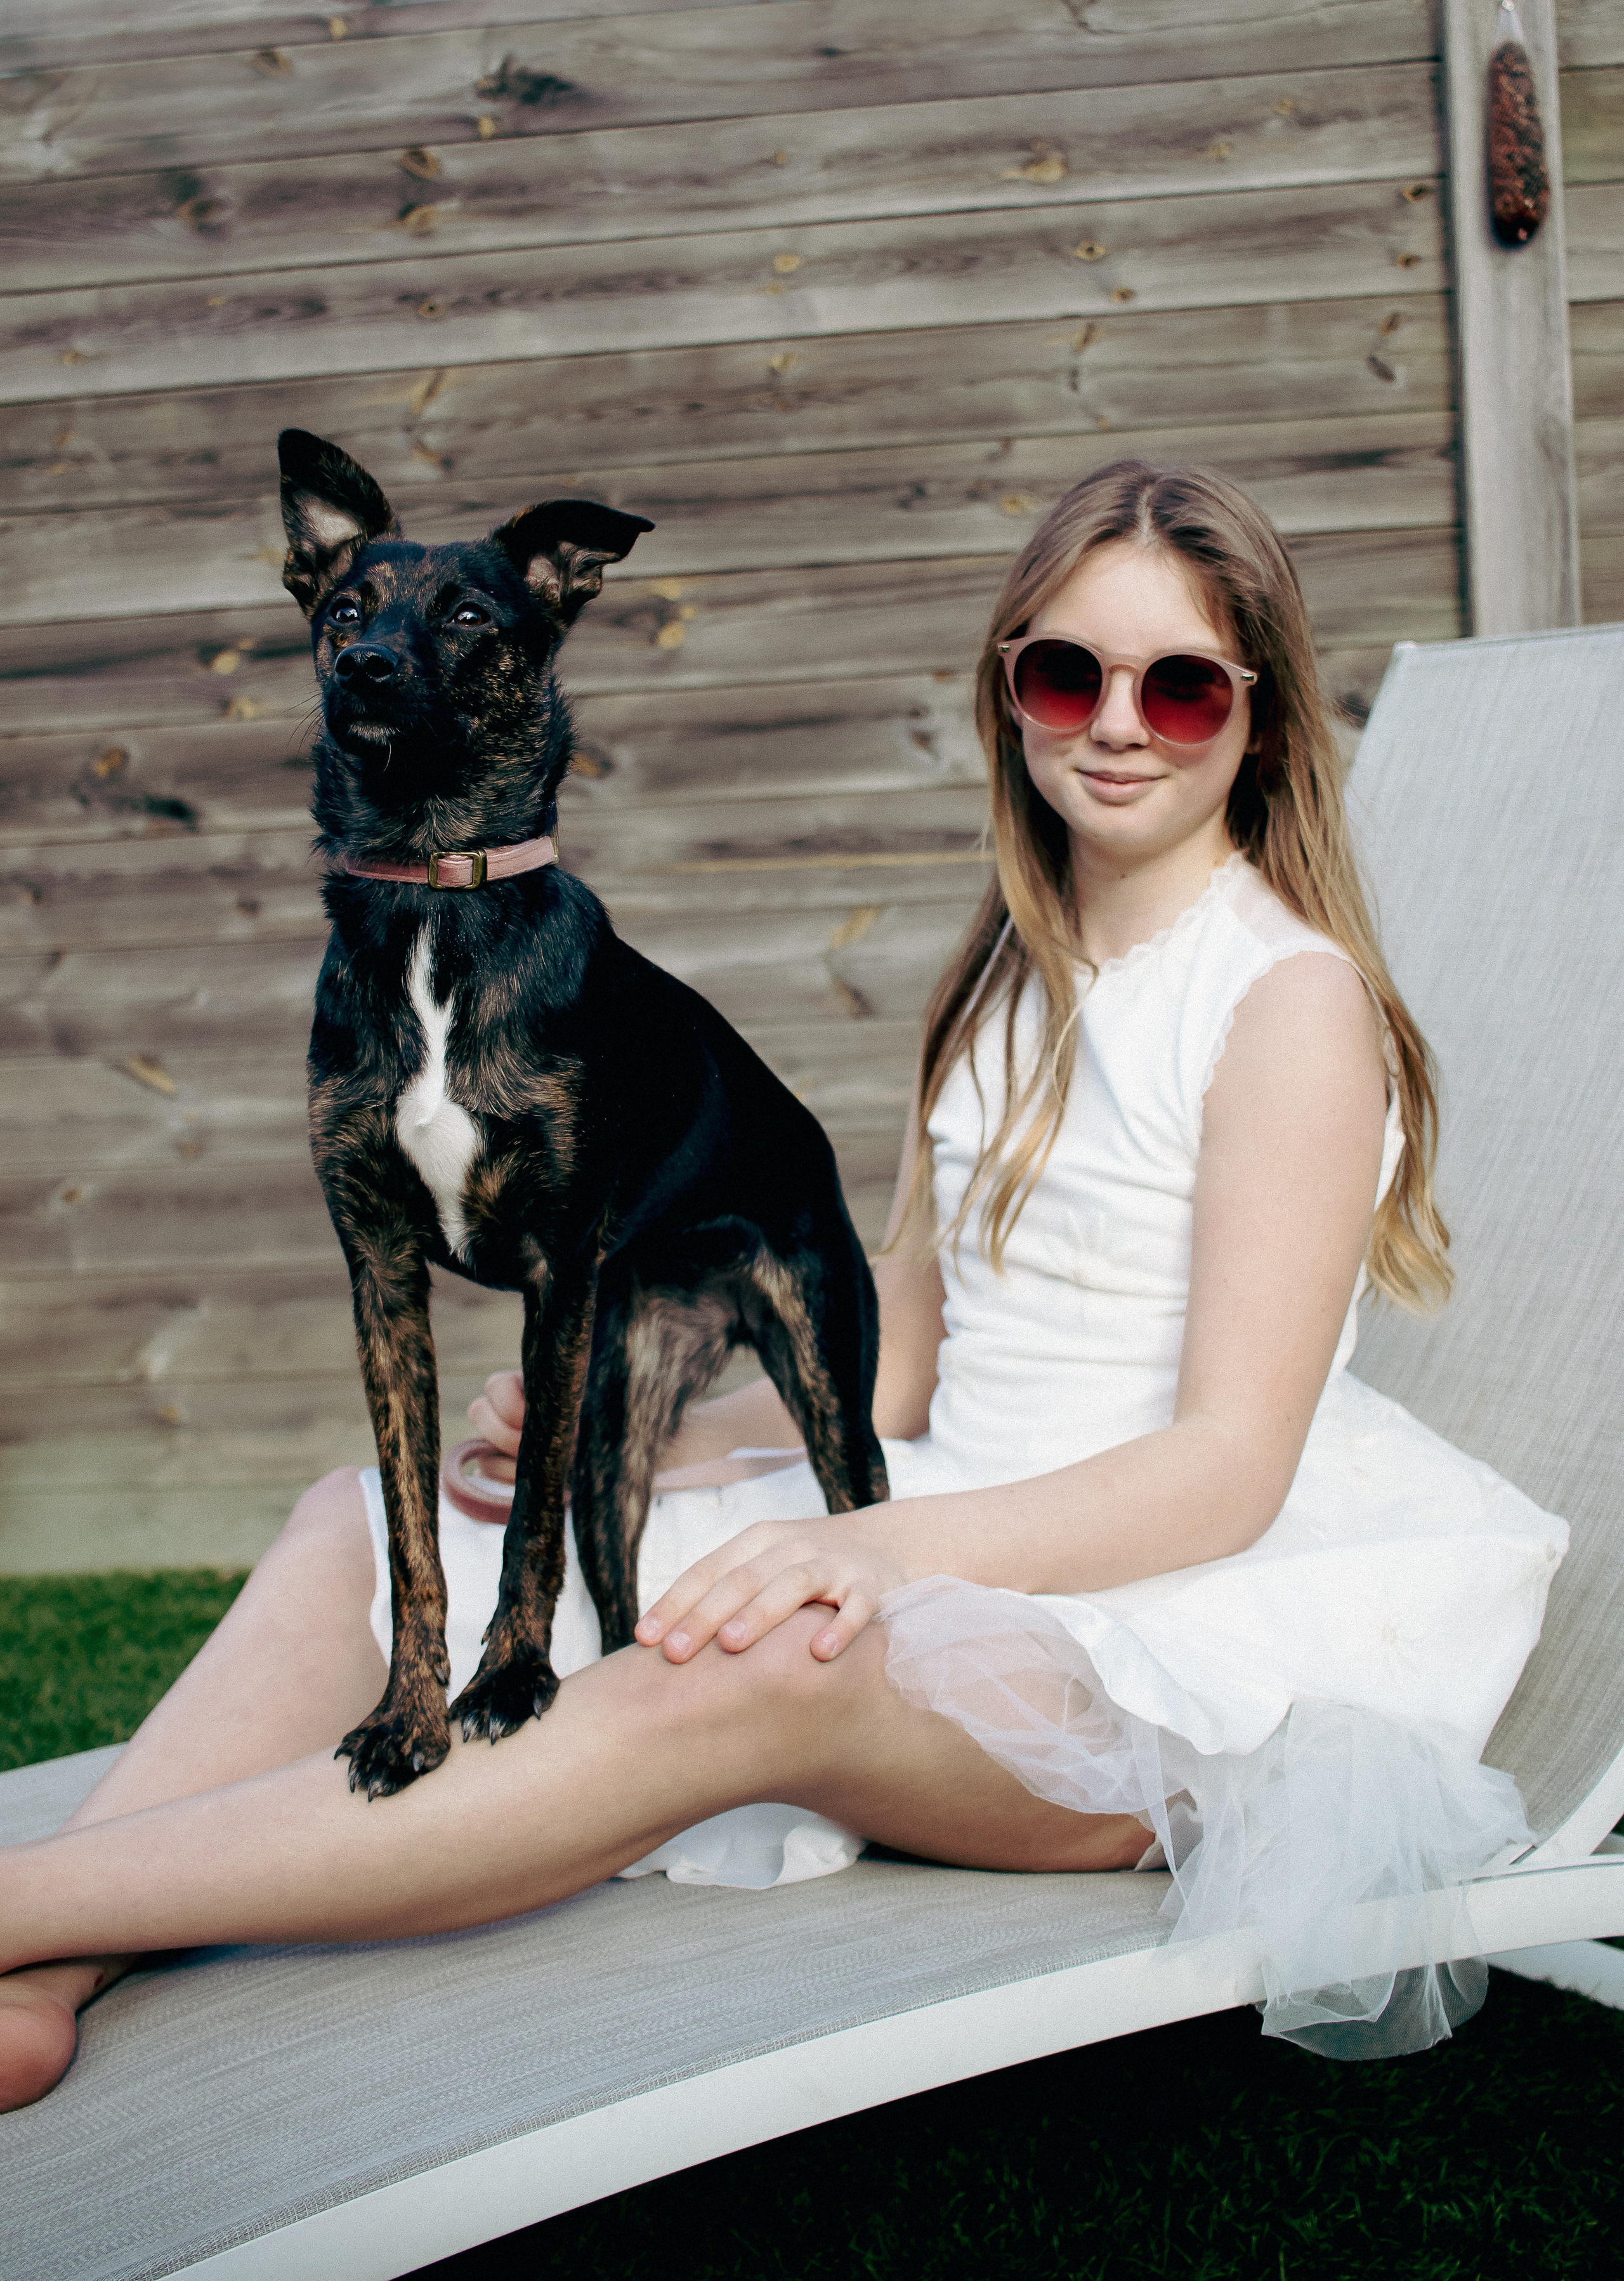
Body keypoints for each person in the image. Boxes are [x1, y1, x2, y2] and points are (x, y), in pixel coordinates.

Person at [0, 461, 1567, 2110]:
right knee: (357, 1519)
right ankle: (57, 1954)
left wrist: (853, 1544)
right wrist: (654, 1438)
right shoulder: (1009, 972)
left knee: (737, 1657)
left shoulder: (1286, 1004)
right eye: (1066, 673)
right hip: (962, 1508)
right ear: (1009, 690)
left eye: (1180, 687)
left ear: (1257, 717)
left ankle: (19, 1901)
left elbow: (1226, 1470)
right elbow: (902, 1357)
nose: (1116, 725)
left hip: (1164, 1627)